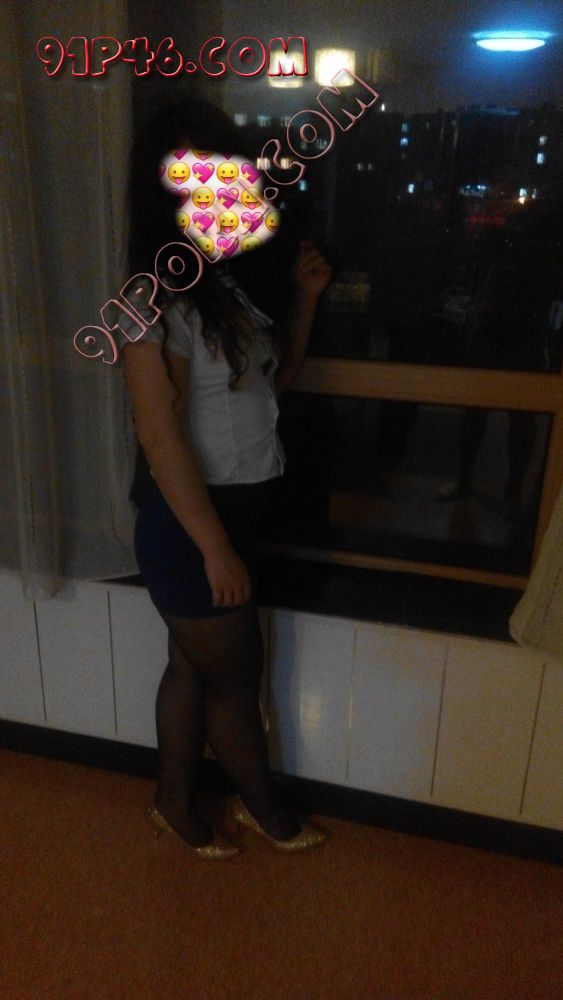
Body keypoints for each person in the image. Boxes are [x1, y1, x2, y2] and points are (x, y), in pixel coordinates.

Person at [115, 99, 332, 859]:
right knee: (237, 679)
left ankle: (173, 804)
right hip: (189, 525)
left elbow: (272, 387)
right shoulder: (148, 300)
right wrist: (213, 548)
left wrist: (305, 301)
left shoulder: (223, 286)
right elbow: (159, 434)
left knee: (192, 668)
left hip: (235, 511)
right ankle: (267, 812)